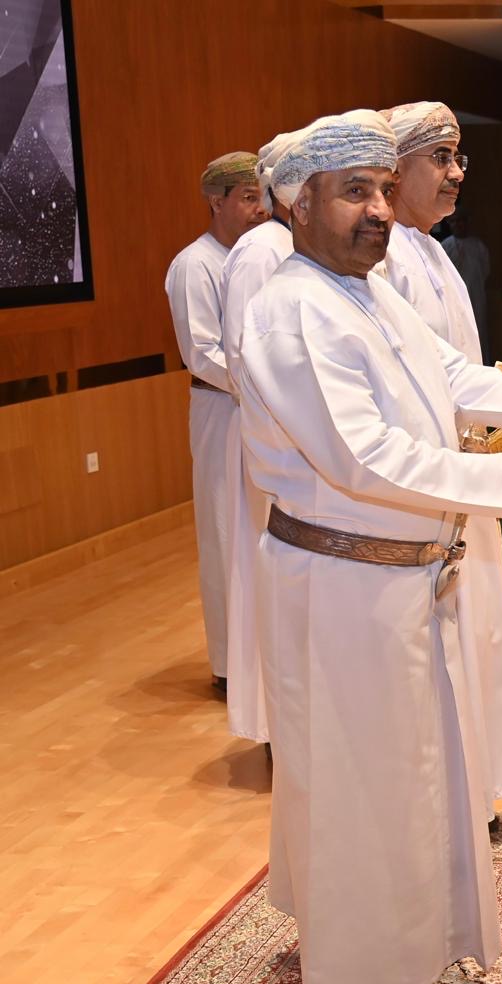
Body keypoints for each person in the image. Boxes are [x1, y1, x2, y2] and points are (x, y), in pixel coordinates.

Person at [236, 109, 502, 984]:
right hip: (341, 588)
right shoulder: (292, 311)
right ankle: (359, 978)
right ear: (299, 204)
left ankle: (380, 939)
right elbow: (363, 459)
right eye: (353, 192)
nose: (378, 209)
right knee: (366, 780)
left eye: (380, 188)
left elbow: (449, 375)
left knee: (400, 773)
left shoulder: (364, 292)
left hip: (391, 581)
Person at [377, 100, 502, 824]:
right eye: (440, 158)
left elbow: (462, 373)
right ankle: (453, 803)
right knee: (453, 643)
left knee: (485, 634)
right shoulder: (385, 261)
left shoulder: (434, 251)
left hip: (468, 474)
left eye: (458, 157)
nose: (457, 172)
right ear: (395, 169)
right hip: (433, 487)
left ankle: (478, 793)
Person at [163, 152, 267, 693]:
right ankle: (230, 667)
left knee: (263, 529)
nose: (260, 209)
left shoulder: (258, 256)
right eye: (248, 198)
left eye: (262, 197)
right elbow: (201, 353)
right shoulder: (195, 265)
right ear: (216, 201)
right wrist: (265, 385)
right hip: (222, 412)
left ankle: (266, 656)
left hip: (263, 412)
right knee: (227, 532)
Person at [217, 131, 300, 746]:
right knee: (271, 581)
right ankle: (276, 726)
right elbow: (247, 360)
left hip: (309, 453)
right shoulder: (258, 252)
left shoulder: (298, 247)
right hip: (281, 451)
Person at [443, 210, 492, 363]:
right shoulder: (444, 246)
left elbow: (486, 270)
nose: (458, 225)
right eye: (454, 221)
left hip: (476, 296)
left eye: (461, 221)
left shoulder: (478, 246)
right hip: (453, 299)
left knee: (478, 332)